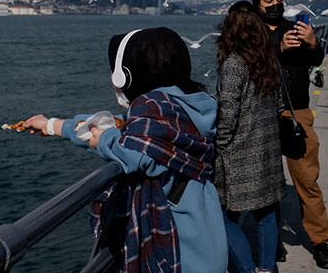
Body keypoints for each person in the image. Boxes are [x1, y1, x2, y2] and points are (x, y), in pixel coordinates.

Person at [22, 28, 227, 273]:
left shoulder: (149, 109)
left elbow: (135, 153)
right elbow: (118, 123)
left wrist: (105, 140)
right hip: (207, 232)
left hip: (182, 245)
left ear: (127, 75)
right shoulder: (185, 105)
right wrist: (53, 125)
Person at [247, 0, 328, 269]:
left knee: (307, 179)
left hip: (298, 112)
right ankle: (273, 240)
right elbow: (249, 67)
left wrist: (313, 42)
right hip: (263, 113)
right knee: (268, 182)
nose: (275, 4)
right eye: (268, 0)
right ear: (257, 3)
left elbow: (317, 58)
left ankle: (320, 242)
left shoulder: (293, 27)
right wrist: (278, 49)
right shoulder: (250, 32)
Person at [215, 2, 286, 273]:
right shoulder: (269, 60)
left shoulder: (234, 63)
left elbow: (228, 115)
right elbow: (279, 104)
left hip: (239, 154)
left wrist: (219, 146)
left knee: (225, 216)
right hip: (267, 149)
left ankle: (246, 269)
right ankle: (266, 269)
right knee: (266, 214)